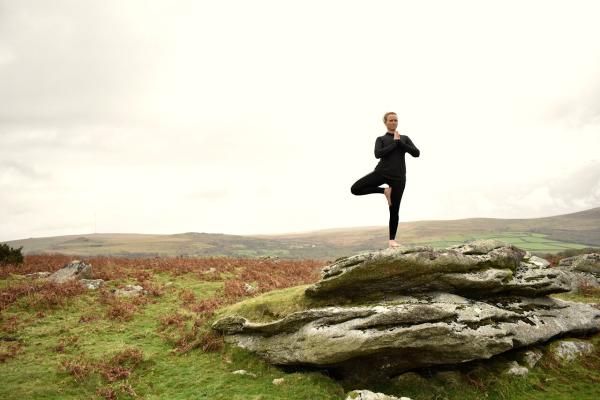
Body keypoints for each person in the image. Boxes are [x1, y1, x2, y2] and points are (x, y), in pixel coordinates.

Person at [350, 112, 420, 248]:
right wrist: (394, 143)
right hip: (381, 173)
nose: (394, 122)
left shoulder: (404, 138)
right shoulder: (381, 139)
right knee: (355, 188)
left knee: (394, 210)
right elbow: (378, 154)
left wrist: (400, 143)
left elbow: (416, 153)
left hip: (399, 178)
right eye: (391, 120)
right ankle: (384, 191)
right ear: (385, 122)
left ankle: (392, 240)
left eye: (396, 120)